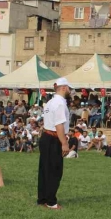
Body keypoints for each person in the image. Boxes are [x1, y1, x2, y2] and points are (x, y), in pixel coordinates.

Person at [37, 78, 72, 210]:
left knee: (45, 169)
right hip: (54, 138)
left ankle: (42, 199)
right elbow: (59, 125)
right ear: (63, 88)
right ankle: (51, 202)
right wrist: (64, 143)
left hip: (46, 136)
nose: (70, 91)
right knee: (54, 170)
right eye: (69, 88)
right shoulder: (60, 103)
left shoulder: (51, 102)